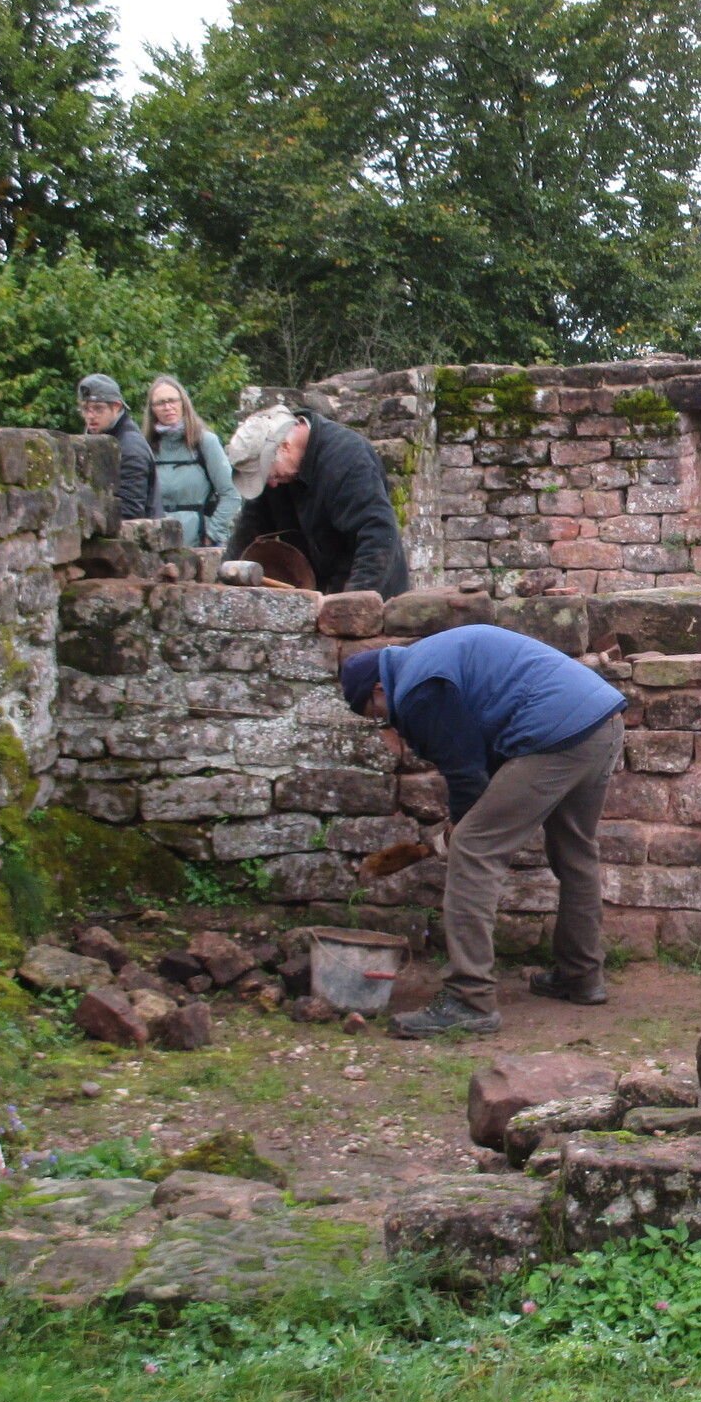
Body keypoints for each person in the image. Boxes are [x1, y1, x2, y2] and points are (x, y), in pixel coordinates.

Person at [340, 628, 628, 1036]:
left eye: (375, 713)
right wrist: (463, 816)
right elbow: (483, 750)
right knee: (575, 850)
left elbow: (466, 769)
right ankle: (581, 976)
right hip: (601, 721)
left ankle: (468, 999)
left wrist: (460, 825)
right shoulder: (428, 662)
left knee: (474, 848)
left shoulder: (417, 688)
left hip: (556, 731)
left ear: (378, 688)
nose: (385, 723)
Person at [223, 403, 411, 597]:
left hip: (369, 587)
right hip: (318, 586)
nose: (272, 484)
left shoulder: (348, 460)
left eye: (274, 476)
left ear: (285, 447)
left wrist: (354, 599)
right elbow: (251, 525)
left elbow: (378, 534)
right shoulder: (278, 466)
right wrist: (226, 575)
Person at [144, 375, 242, 547]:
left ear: (183, 402)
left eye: (172, 400)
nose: (168, 407)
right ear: (152, 409)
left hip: (199, 544)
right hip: (158, 544)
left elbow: (231, 493)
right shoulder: (147, 447)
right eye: (160, 403)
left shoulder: (205, 442)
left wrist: (212, 534)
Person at [78, 373, 155, 521]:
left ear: (116, 407)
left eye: (98, 408)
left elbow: (130, 512)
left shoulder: (130, 447)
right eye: (85, 409)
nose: (90, 416)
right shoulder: (95, 439)